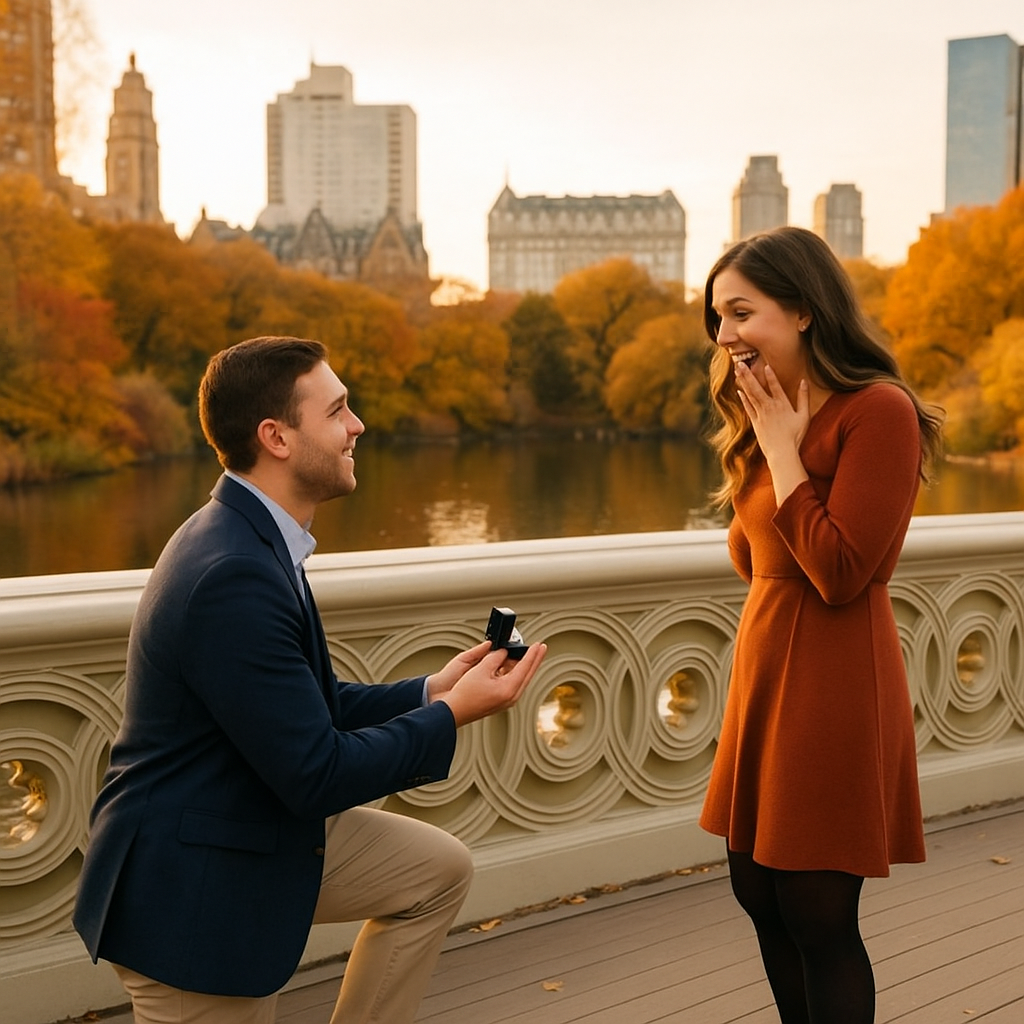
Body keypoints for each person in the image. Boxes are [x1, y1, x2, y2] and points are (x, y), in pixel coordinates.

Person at [73, 336, 547, 1024]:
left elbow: (310, 708)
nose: (357, 426)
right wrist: (452, 718)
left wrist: (431, 692)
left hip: (242, 820)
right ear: (277, 437)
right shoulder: (231, 571)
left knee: (435, 872)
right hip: (191, 888)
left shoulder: (256, 536)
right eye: (338, 411)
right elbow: (317, 774)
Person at [697, 228, 943, 1024]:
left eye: (742, 312)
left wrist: (785, 452)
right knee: (757, 893)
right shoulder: (764, 413)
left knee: (817, 915)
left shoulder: (880, 411)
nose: (725, 334)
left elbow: (839, 573)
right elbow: (758, 561)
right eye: (717, 319)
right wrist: (767, 439)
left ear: (802, 310)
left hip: (835, 677)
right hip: (765, 675)